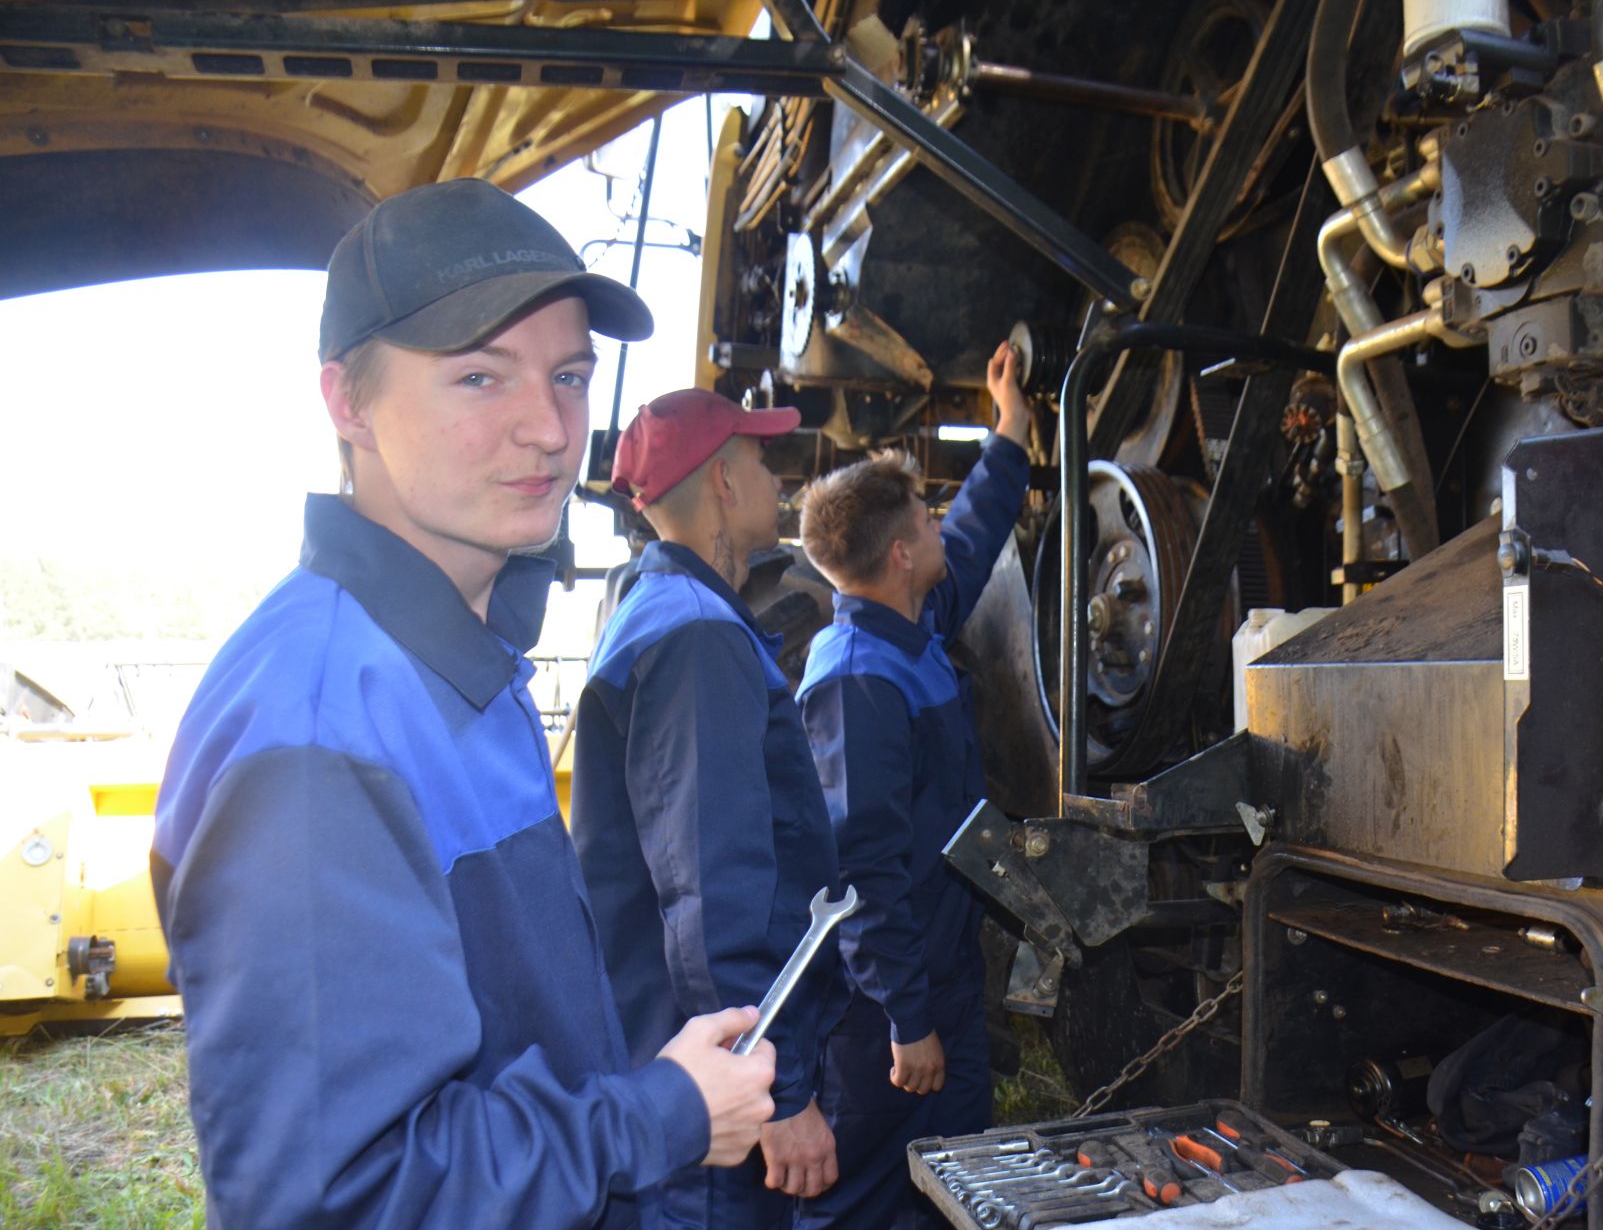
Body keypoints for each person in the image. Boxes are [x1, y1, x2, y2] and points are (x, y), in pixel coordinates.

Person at [150, 179, 777, 1230]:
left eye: (569, 374)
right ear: (348, 403)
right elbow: (336, 1200)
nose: (547, 428)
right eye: (480, 376)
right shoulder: (318, 734)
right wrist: (655, 1118)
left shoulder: (455, 663)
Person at [572, 388, 844, 1226]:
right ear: (724, 479)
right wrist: (775, 1089)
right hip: (706, 1085)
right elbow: (709, 889)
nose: (775, 477)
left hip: (667, 1052)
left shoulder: (657, 610)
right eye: (762, 459)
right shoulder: (696, 636)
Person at [792, 343, 1033, 1228]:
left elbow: (966, 540)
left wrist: (1010, 432)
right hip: (883, 1023)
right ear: (899, 554)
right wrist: (906, 1021)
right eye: (924, 519)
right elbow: (863, 871)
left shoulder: (910, 621)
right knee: (865, 1203)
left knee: (950, 1194)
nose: (939, 526)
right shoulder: (856, 678)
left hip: (942, 987)